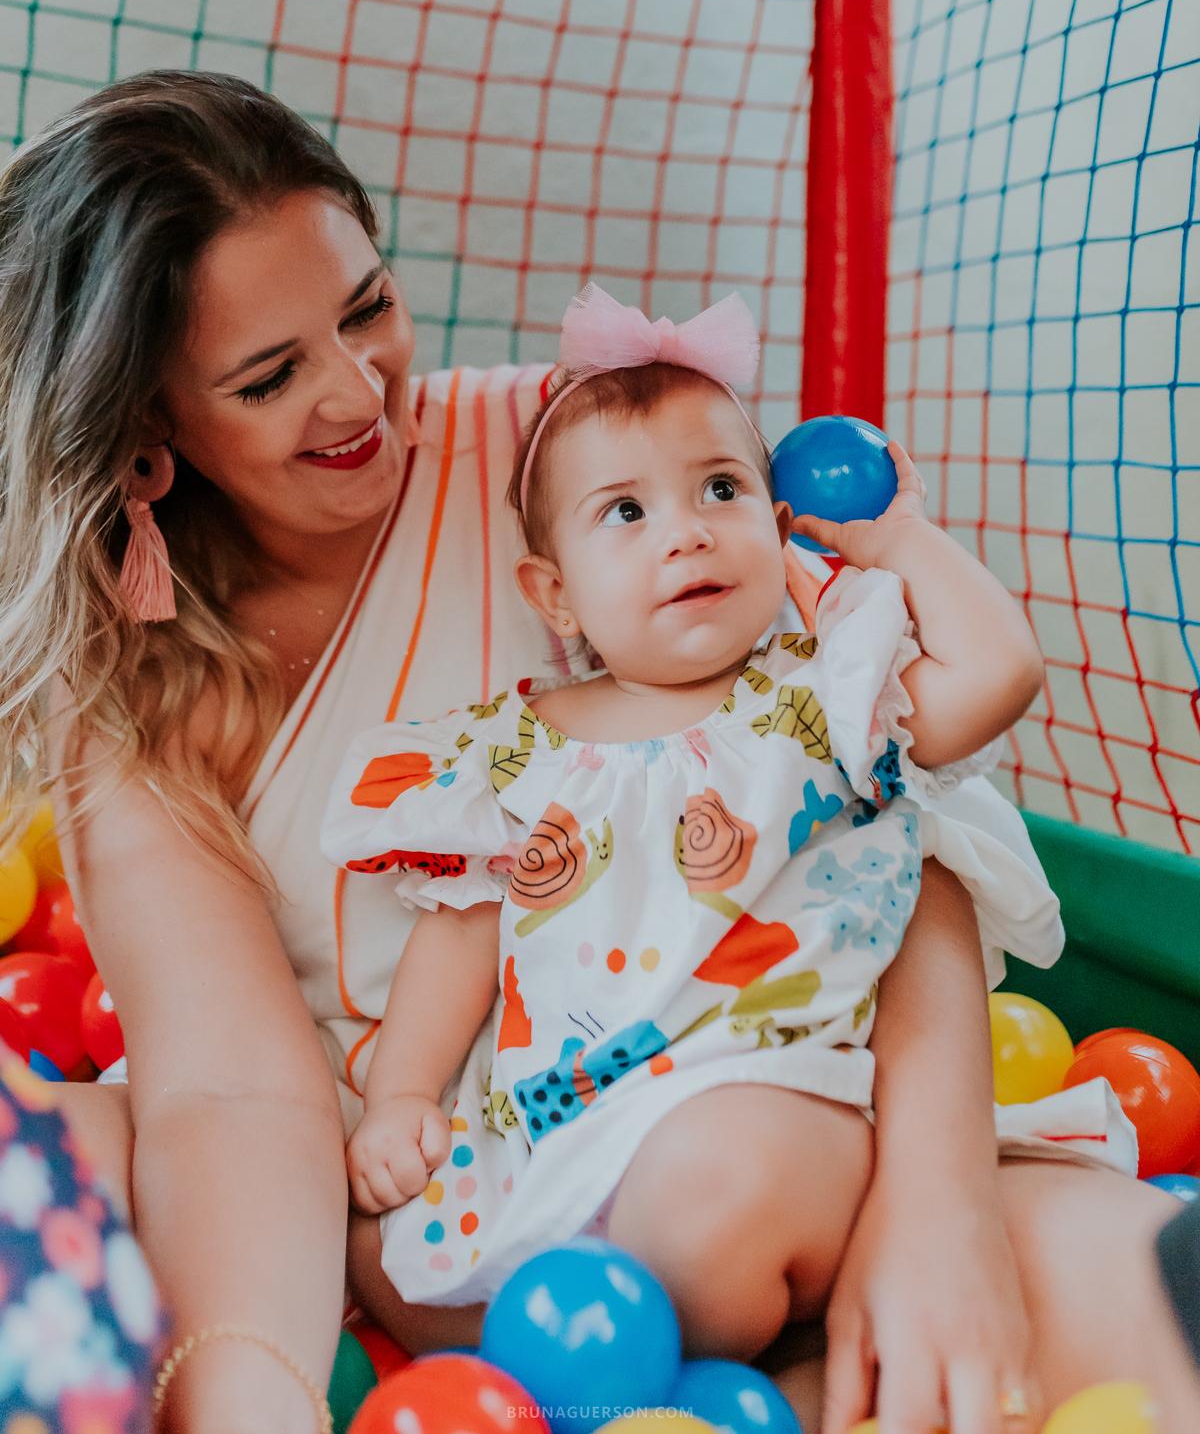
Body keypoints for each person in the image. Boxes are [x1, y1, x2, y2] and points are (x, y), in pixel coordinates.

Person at [0, 71, 1195, 1434]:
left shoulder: (582, 457)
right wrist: (255, 1390)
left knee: (1136, 1310)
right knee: (62, 1164)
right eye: (270, 377)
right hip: (427, 1196)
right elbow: (225, 1084)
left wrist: (941, 1205)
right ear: (150, 438)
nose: (358, 394)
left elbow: (873, 812)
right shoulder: (127, 676)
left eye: (368, 308)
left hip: (773, 1101)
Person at [321, 285, 1098, 1336]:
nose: (685, 534)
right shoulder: (513, 750)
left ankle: (701, 1354)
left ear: (778, 530)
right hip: (558, 1134)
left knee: (706, 1198)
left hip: (784, 1103)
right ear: (555, 595)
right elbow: (459, 934)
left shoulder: (821, 699)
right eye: (627, 512)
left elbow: (1001, 672)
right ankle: (587, 1383)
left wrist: (897, 539)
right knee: (379, 1248)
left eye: (720, 489)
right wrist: (406, 1096)